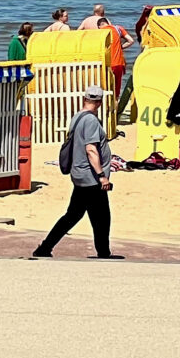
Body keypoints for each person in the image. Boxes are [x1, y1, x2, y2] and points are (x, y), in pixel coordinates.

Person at [31, 86, 119, 260]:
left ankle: (45, 247)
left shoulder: (77, 117)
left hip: (79, 173)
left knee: (74, 215)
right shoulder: (92, 121)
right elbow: (91, 149)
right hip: (91, 176)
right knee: (101, 217)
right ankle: (103, 252)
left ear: (84, 99)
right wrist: (102, 176)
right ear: (100, 103)